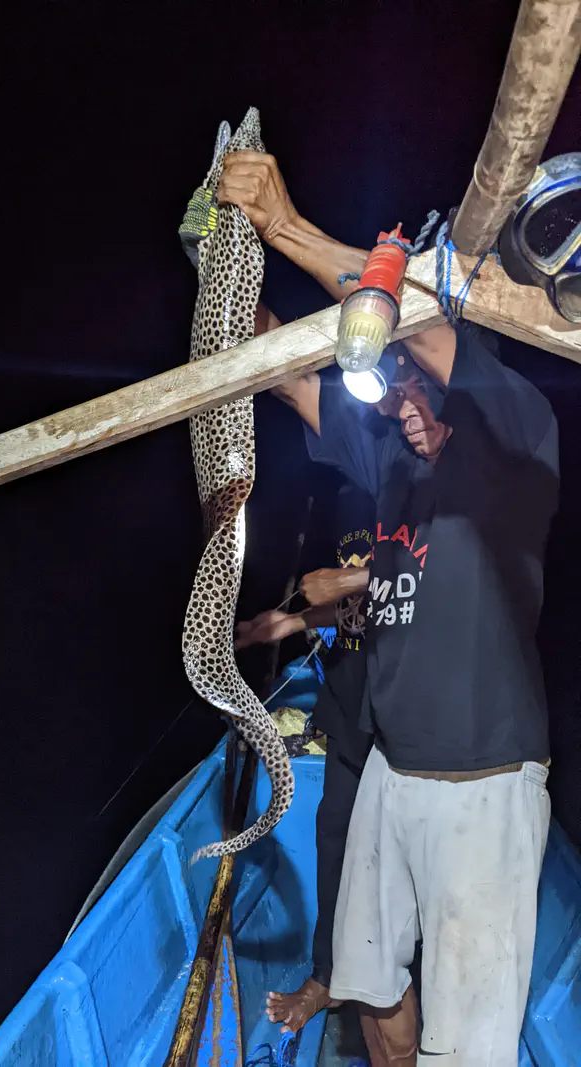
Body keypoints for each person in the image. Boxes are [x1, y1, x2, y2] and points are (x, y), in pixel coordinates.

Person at [217, 151, 559, 1066]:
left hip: (482, 788)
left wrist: (286, 225)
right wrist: (224, 266)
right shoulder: (392, 466)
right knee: (373, 993)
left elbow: (416, 328)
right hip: (391, 778)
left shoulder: (515, 431)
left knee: (469, 1046)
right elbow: (286, 376)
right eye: (395, 388)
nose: (406, 400)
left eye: (419, 378)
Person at [236, 475, 375, 1032]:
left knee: (399, 850)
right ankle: (327, 978)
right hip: (347, 705)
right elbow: (355, 611)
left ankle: (400, 977)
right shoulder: (347, 496)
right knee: (332, 834)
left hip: (404, 711)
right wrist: (292, 620)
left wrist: (351, 581)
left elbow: (410, 592)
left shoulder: (419, 485)